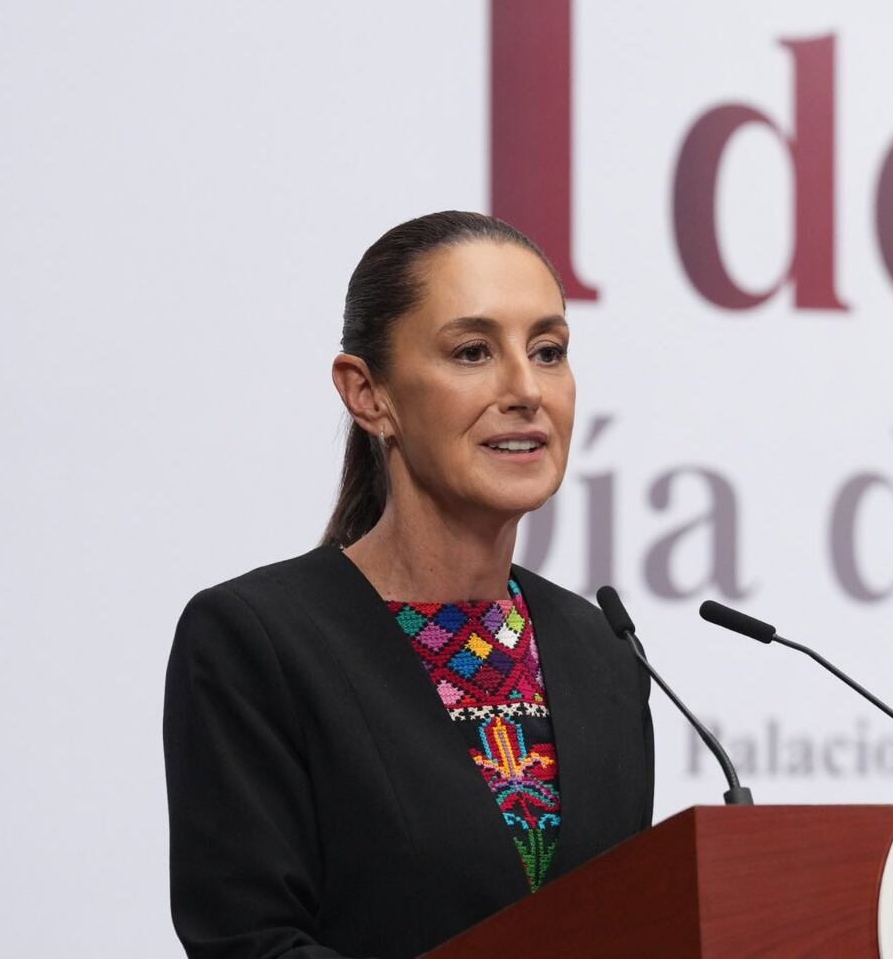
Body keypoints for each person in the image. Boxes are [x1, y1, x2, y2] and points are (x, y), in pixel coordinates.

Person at [162, 211, 653, 959]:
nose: (526, 389)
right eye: (473, 352)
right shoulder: (256, 640)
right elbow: (250, 942)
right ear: (368, 394)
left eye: (548, 351)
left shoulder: (601, 651)